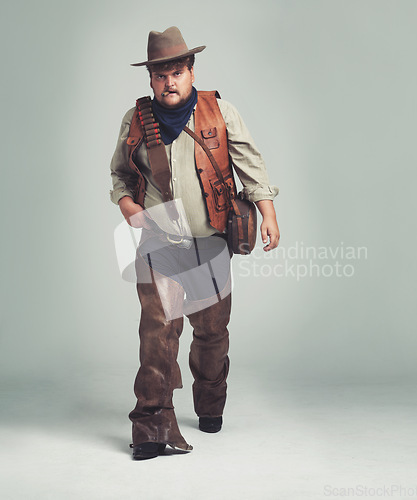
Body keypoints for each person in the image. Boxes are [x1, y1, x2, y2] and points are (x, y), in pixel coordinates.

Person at [109, 26, 280, 460]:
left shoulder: (220, 112)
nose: (170, 81)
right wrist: (128, 206)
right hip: (158, 241)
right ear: (150, 79)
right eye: (161, 74)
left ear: (191, 71)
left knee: (211, 333)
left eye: (177, 72)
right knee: (157, 332)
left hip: (211, 242)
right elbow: (120, 176)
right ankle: (150, 426)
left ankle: (209, 403)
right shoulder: (136, 120)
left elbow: (250, 163)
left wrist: (269, 214)